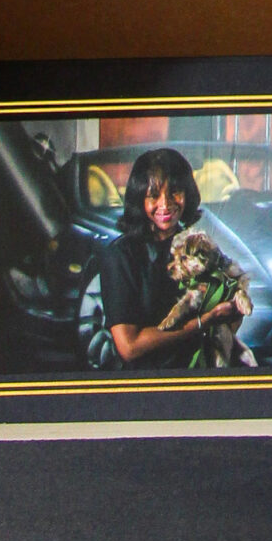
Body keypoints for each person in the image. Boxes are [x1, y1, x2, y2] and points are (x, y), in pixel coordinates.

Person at [96, 146, 245, 372]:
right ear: (140, 199)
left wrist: (233, 307)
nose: (165, 204)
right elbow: (130, 347)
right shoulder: (120, 255)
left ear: (188, 194)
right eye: (154, 195)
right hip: (146, 383)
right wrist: (204, 322)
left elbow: (231, 319)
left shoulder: (198, 245)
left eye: (175, 192)